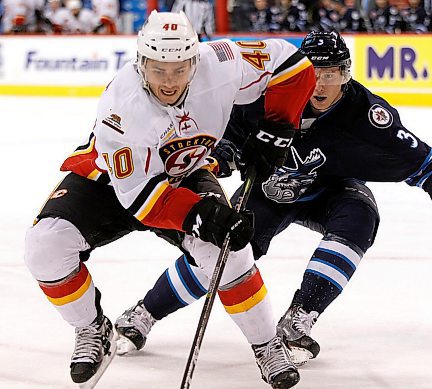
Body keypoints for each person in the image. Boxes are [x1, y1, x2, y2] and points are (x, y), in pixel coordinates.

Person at [114, 29, 432, 372]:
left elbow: (429, 163)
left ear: (346, 75)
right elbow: (218, 131)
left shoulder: (367, 116)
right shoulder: (266, 95)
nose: (320, 83)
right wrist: (226, 152)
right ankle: (144, 313)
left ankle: (298, 318)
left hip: (331, 190)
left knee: (361, 216)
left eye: (332, 73)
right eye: (314, 72)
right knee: (223, 248)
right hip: (269, 189)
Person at [24, 10, 315, 388]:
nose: (169, 80)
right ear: (141, 62)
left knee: (229, 255)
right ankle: (91, 327)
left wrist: (277, 127)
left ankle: (266, 344)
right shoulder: (121, 106)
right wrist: (204, 216)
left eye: (179, 68)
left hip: (185, 173)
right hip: (112, 182)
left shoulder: (221, 61)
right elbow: (143, 200)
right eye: (159, 69)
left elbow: (293, 65)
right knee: (45, 245)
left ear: (195, 59)